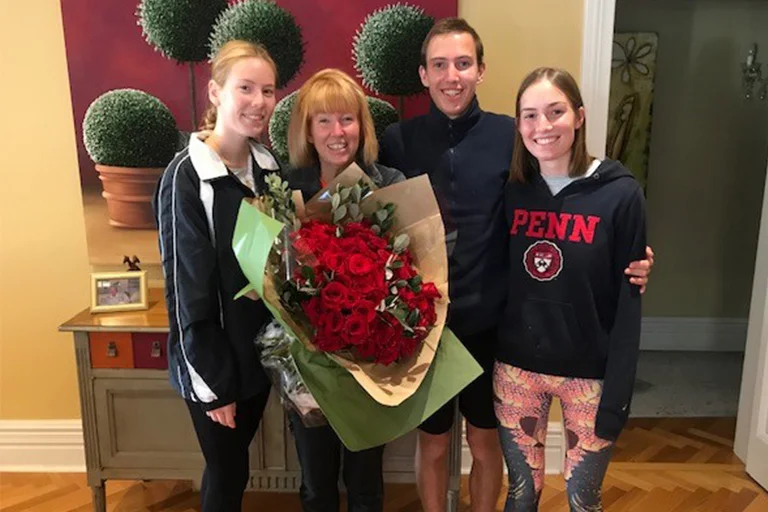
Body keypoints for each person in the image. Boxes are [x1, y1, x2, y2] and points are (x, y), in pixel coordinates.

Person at [379, 18, 655, 512]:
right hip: (423, 328)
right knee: (434, 444)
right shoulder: (398, 140)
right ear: (423, 74)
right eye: (439, 65)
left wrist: (628, 256)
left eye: (463, 63)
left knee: (486, 445)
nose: (451, 75)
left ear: (481, 70)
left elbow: (566, 199)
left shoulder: (513, 136)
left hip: (493, 324)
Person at [494, 67, 645, 511]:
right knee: (522, 495)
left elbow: (629, 300)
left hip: (590, 375)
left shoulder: (621, 195)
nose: (543, 127)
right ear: (519, 125)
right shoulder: (513, 192)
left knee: (583, 498)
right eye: (530, 116)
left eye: (555, 112)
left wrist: (619, 389)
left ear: (578, 117)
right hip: (517, 368)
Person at [153, 40, 281, 512]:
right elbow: (187, 291)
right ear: (215, 92)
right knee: (228, 475)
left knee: (232, 470)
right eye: (245, 88)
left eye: (267, 90)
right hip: (215, 364)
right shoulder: (186, 177)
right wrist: (215, 385)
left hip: (258, 357)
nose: (259, 102)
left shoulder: (266, 168)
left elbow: (271, 263)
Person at [284, 68, 405, 512]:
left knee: (366, 485)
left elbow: (406, 272)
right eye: (324, 121)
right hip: (306, 367)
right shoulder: (287, 188)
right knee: (316, 484)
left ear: (362, 125)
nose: (338, 132)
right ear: (308, 131)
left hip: (367, 364)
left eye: (348, 119)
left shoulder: (390, 184)